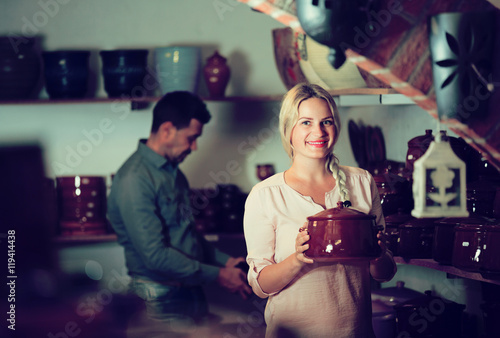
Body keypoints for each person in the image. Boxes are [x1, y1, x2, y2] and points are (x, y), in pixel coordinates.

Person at [243, 83, 397, 338]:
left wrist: (378, 254)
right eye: (306, 122)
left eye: (326, 122)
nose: (319, 131)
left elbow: (386, 273)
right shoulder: (265, 195)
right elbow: (260, 286)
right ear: (288, 129)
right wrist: (297, 259)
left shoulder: (362, 182)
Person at [107, 91, 251, 334]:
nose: (194, 147)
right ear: (167, 130)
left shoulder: (173, 173)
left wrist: (226, 262)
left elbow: (188, 235)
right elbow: (155, 255)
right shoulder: (134, 178)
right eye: (191, 138)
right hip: (159, 298)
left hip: (189, 290)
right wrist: (218, 275)